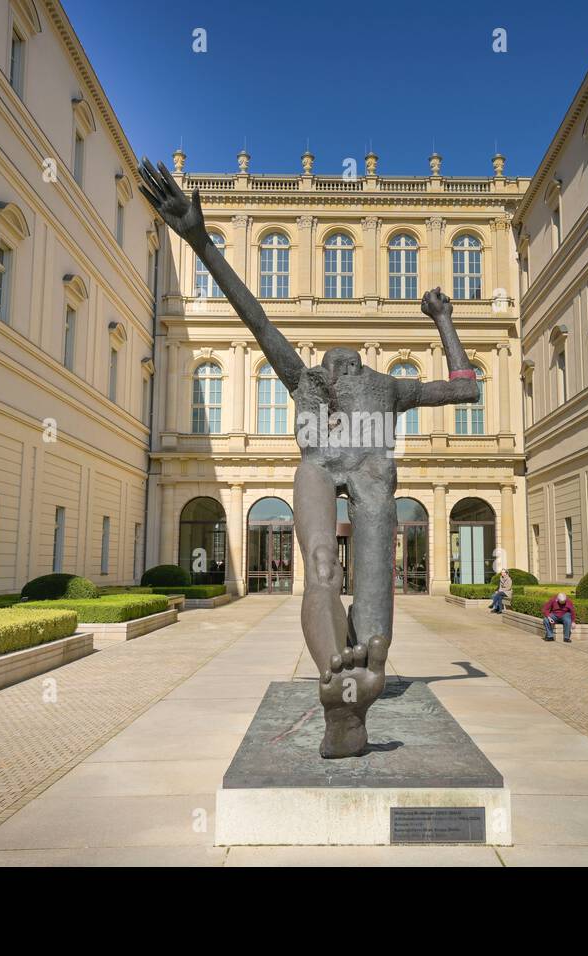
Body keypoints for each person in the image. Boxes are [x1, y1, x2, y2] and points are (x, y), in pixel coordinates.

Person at [138, 159, 480, 758]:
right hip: (323, 467)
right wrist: (198, 240)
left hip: (372, 478)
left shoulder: (381, 384)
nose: (333, 366)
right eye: (330, 364)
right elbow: (259, 318)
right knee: (322, 567)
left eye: (336, 363)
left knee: (372, 613)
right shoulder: (311, 381)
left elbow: (464, 387)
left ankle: (352, 682)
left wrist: (446, 321)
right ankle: (340, 681)